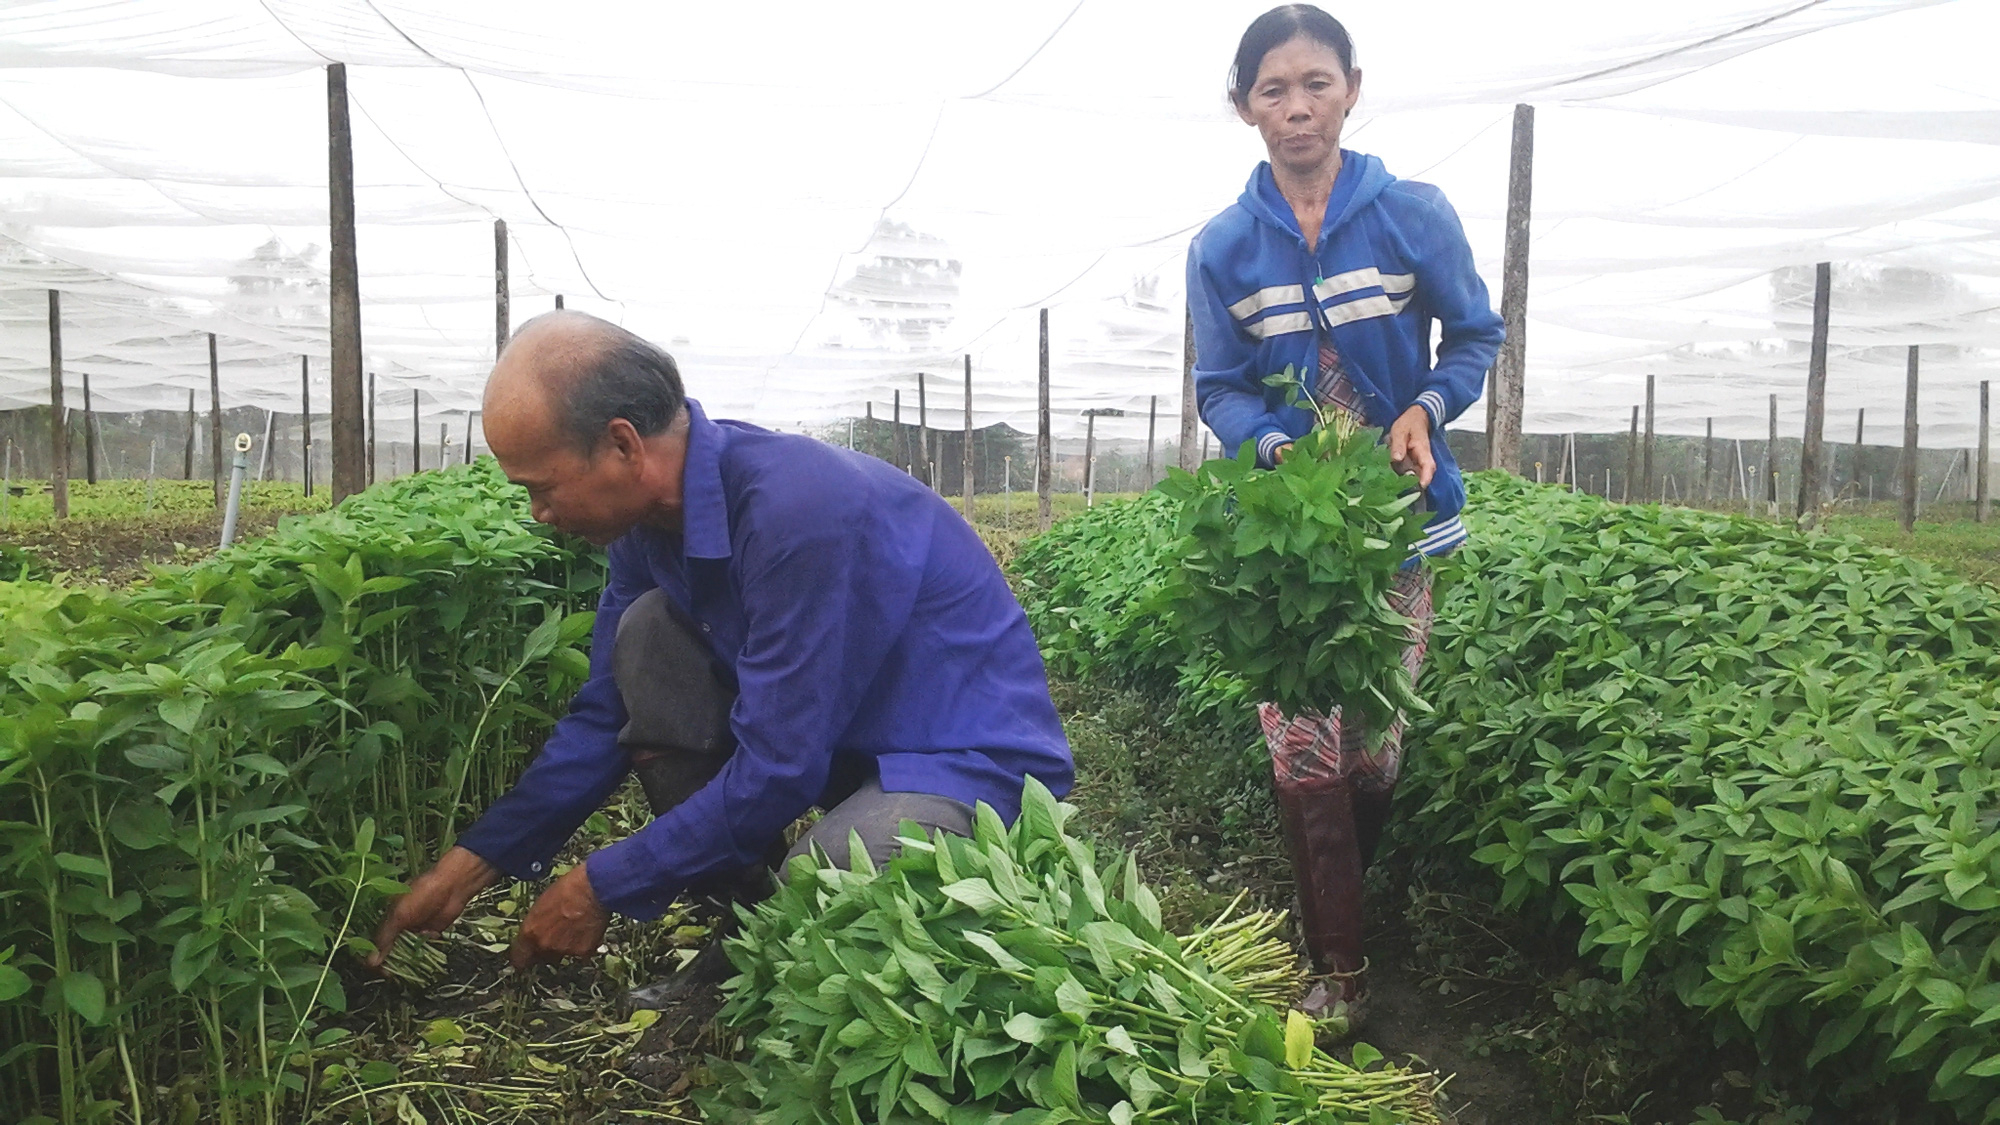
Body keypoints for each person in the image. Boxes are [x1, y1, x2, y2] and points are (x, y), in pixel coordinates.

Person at [368, 311, 1074, 1000]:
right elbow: (603, 715)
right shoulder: (645, 530)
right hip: (845, 754)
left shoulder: (798, 510)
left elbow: (779, 766)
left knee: (827, 879)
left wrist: (600, 883)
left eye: (541, 487)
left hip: (962, 763)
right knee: (644, 635)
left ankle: (777, 943)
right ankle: (748, 924)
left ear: (622, 446)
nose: (538, 514)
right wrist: (472, 863)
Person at [1186, 5, 1504, 1025]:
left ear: (1350, 90)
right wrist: (1273, 446)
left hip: (1396, 529)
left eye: (1314, 84)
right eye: (1271, 90)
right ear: (1243, 108)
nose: (1295, 108)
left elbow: (1473, 336)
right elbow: (1219, 390)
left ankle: (1337, 905)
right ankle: (1340, 970)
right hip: (1288, 547)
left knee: (1369, 752)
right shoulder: (1224, 248)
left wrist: (1422, 408)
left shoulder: (1408, 213)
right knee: (1303, 747)